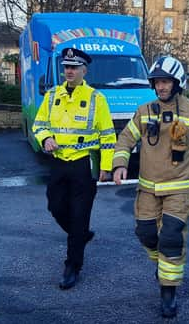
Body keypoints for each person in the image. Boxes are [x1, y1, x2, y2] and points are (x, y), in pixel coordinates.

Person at [112, 56, 189, 318]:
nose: (161, 87)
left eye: (166, 82)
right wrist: (119, 164)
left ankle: (168, 291)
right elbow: (126, 138)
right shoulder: (145, 111)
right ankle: (163, 266)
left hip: (181, 191)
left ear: (177, 82)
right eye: (157, 82)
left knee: (171, 238)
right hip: (148, 189)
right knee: (146, 233)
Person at [31, 47, 116, 290]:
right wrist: (46, 138)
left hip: (84, 163)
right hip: (58, 161)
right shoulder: (51, 96)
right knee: (55, 206)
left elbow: (108, 135)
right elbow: (39, 125)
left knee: (80, 215)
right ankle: (80, 235)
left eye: (74, 67)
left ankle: (72, 266)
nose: (69, 71)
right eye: (66, 67)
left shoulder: (96, 99)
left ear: (83, 70)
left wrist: (106, 166)